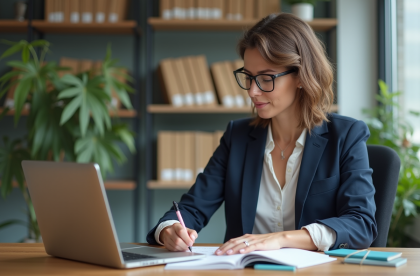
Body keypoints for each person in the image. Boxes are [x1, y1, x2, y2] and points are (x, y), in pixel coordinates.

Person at [146, 13, 377, 255]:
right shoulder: (238, 137)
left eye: (266, 78)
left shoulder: (346, 135)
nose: (253, 91)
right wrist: (170, 230)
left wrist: (281, 239)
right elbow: (192, 208)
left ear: (300, 76)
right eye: (248, 77)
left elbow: (361, 224)